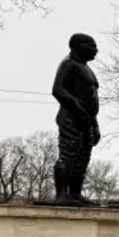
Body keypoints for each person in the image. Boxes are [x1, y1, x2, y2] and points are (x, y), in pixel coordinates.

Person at [50, 33, 101, 204]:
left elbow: (92, 100)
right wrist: (77, 108)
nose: (96, 50)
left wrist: (95, 124)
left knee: (83, 156)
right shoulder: (68, 64)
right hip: (71, 117)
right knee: (68, 153)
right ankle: (61, 194)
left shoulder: (87, 68)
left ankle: (75, 192)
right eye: (92, 46)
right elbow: (58, 90)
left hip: (88, 120)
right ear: (79, 46)